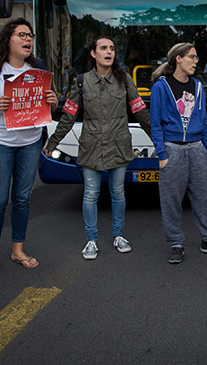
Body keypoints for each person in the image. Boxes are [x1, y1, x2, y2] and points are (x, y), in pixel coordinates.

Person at [0, 18, 58, 276]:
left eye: (30, 36)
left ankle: (18, 250)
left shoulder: (38, 69)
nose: (28, 40)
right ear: (8, 39)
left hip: (29, 144)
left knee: (22, 199)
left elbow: (50, 103)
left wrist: (53, 98)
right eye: (22, 35)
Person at [44, 36, 151, 260]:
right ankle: (91, 240)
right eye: (103, 48)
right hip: (92, 146)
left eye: (112, 48)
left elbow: (140, 112)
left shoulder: (124, 81)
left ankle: (118, 235)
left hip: (119, 145)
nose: (108, 52)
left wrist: (159, 139)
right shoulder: (82, 82)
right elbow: (69, 116)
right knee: (91, 194)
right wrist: (52, 142)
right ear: (93, 54)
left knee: (118, 193)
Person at [150, 42, 207, 264]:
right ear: (178, 58)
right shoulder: (161, 86)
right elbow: (155, 124)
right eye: (192, 57)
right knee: (171, 200)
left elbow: (203, 121)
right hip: (172, 149)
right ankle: (176, 244)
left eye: (196, 58)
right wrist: (162, 154)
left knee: (204, 198)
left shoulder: (197, 86)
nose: (196, 62)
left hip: (197, 149)